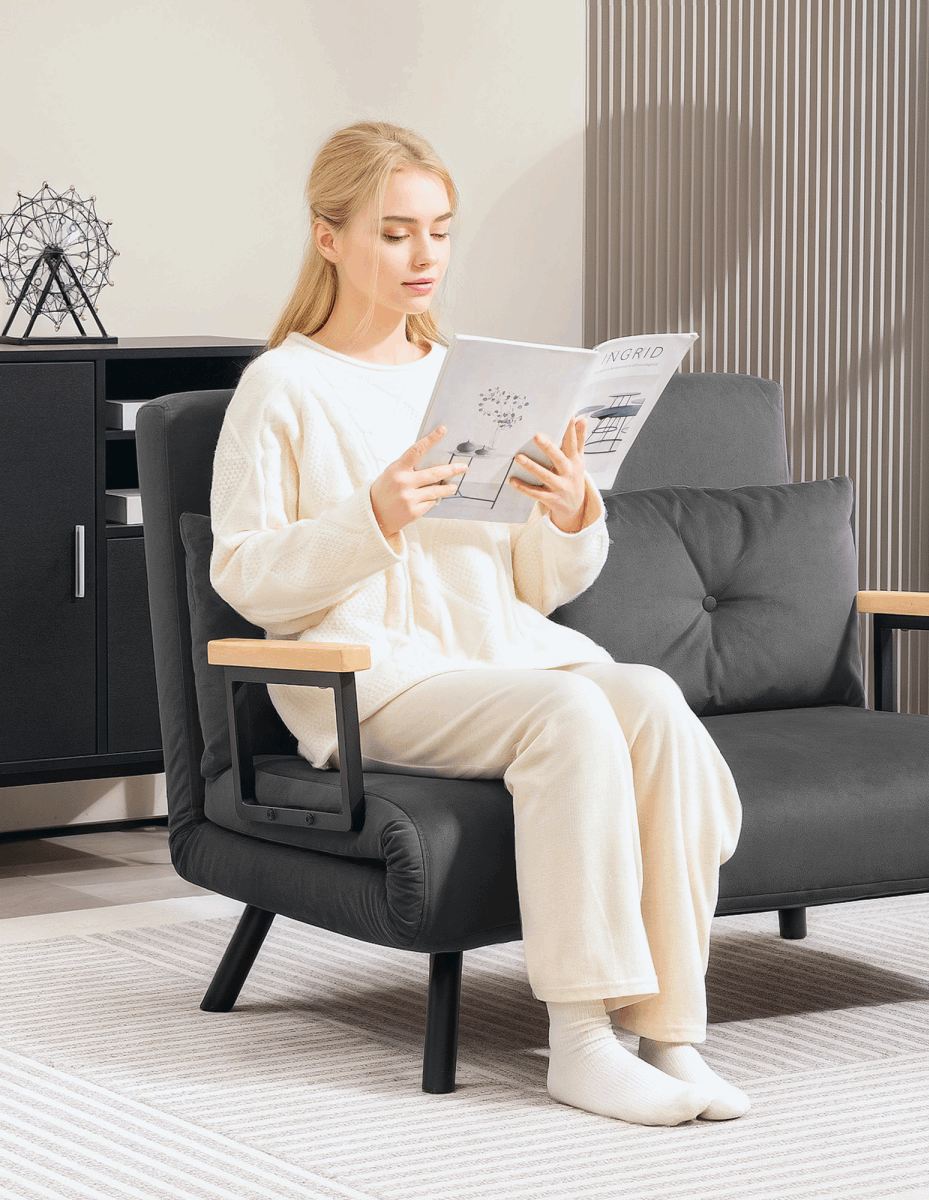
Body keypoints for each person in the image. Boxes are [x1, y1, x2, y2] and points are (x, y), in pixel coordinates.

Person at [209, 120, 746, 1127]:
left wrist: (573, 511)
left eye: (440, 233)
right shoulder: (284, 385)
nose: (425, 259)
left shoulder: (466, 379)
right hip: (370, 676)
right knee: (572, 718)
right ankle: (581, 1044)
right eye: (396, 233)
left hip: (490, 656)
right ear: (330, 238)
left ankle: (672, 1037)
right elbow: (243, 576)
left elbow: (532, 590)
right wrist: (373, 518)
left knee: (652, 700)